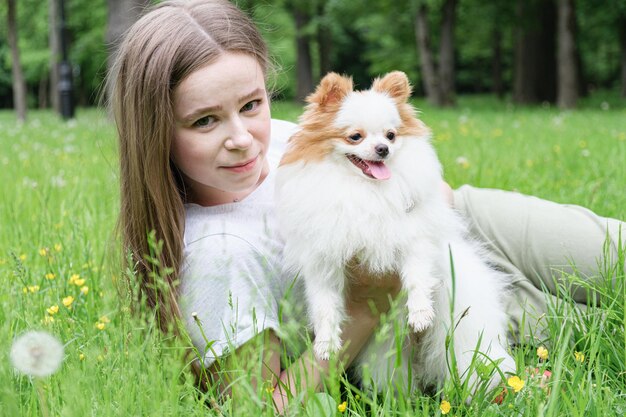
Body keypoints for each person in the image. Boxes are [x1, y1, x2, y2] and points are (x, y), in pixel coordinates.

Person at [107, 0, 625, 412]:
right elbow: (264, 407)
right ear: (154, 132)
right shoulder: (221, 254)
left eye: (251, 105)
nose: (243, 139)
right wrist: (364, 306)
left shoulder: (288, 141)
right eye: (204, 121)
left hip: (461, 217)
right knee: (582, 326)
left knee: (614, 252)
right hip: (431, 300)